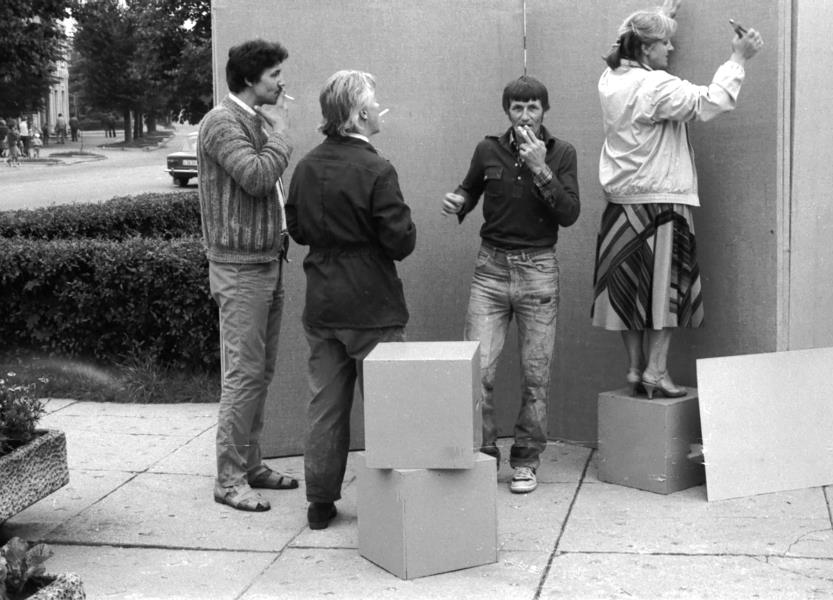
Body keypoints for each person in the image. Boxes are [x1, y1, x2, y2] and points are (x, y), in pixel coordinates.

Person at [591, 6, 763, 398]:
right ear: (646, 48)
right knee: (665, 293)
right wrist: (738, 58)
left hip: (621, 205)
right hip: (662, 205)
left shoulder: (610, 79)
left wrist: (660, 13)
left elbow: (630, 39)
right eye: (665, 42)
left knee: (629, 292)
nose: (671, 48)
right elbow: (710, 102)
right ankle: (656, 371)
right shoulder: (656, 86)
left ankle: (635, 369)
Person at [286, 70, 416, 530]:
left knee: (325, 406)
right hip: (372, 305)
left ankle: (320, 502)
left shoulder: (306, 166)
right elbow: (400, 242)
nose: (380, 108)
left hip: (322, 302)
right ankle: (392, 504)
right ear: (360, 114)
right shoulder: (378, 170)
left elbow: (297, 229)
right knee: (388, 408)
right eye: (374, 102)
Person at [442, 76, 580, 494]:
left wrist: (540, 167)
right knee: (479, 371)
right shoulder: (488, 149)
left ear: (544, 111)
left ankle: (526, 460)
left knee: (535, 375)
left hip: (538, 269)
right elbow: (469, 188)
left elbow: (569, 213)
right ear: (507, 110)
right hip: (491, 269)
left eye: (533, 107)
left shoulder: (561, 153)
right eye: (517, 107)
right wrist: (459, 201)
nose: (525, 116)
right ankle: (484, 456)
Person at [196, 38, 297, 512]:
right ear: (250, 79)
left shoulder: (253, 120)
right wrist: (282, 135)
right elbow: (256, 177)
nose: (281, 82)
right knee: (243, 376)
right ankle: (229, 479)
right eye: (274, 74)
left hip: (266, 263)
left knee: (260, 373)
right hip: (239, 269)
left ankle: (251, 464)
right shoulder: (221, 123)